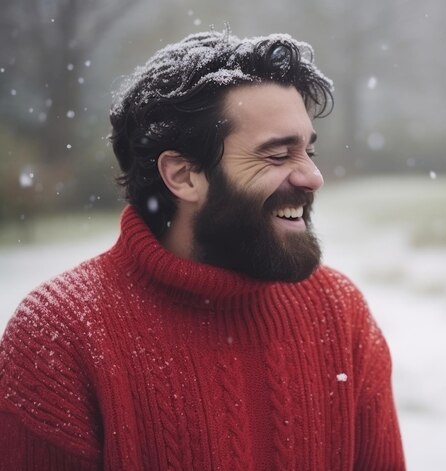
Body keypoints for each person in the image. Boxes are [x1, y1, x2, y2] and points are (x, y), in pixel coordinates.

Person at [0, 30, 405, 470]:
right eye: (276, 155)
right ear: (183, 175)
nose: (312, 176)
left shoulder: (338, 312)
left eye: (307, 150)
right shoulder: (58, 335)